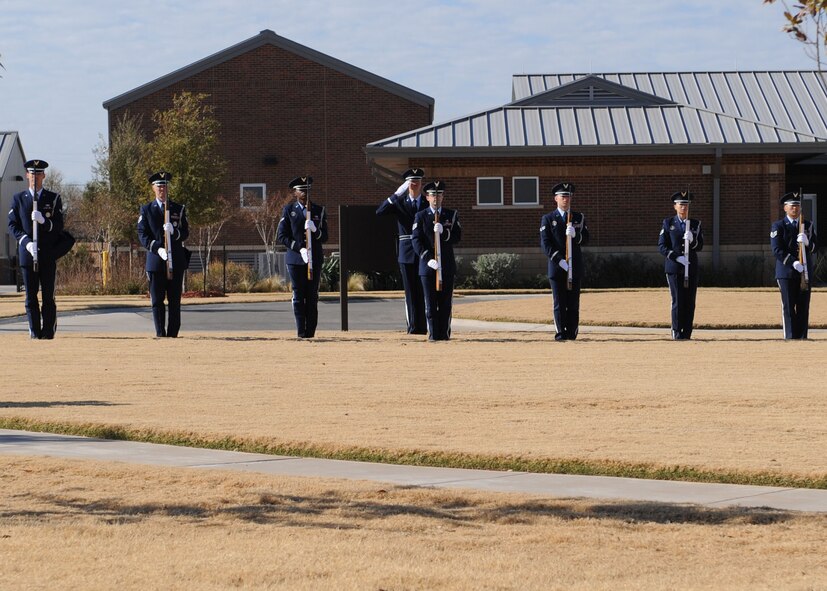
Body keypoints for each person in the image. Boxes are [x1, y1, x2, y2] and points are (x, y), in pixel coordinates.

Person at [8, 159, 65, 339]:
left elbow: (58, 226)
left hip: (47, 253)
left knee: (48, 296)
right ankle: (34, 331)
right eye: (32, 174)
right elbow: (13, 225)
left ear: (44, 176)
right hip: (27, 254)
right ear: (27, 175)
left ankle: (48, 332)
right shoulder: (18, 199)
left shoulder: (53, 198)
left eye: (38, 174)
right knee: (31, 297)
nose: (35, 177)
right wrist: (26, 242)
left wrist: (44, 221)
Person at [137, 171, 190, 338]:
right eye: (159, 186)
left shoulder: (178, 209)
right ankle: (160, 333)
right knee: (157, 301)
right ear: (153, 188)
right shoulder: (146, 210)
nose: (162, 189)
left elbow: (185, 232)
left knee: (174, 301)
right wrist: (156, 248)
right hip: (156, 261)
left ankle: (173, 334)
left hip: (175, 259)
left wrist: (174, 232)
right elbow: (142, 234)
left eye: (164, 186)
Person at [376, 167, 428, 334]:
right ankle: (413, 327)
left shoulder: (427, 202)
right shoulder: (400, 202)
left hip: (423, 251)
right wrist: (396, 194)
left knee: (423, 290)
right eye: (411, 183)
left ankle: (424, 326)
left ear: (421, 184)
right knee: (410, 292)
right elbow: (380, 211)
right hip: (406, 252)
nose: (414, 185)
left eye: (417, 182)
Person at [277, 175, 328, 338]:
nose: (305, 193)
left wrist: (315, 230)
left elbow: (325, 237)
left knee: (312, 295)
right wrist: (299, 248)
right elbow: (282, 236)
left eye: (307, 190)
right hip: (296, 259)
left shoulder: (319, 210)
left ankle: (311, 332)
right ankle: (301, 332)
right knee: (298, 295)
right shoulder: (289, 210)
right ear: (295, 193)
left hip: (315, 258)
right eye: (302, 190)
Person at [411, 180, 461, 341]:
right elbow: (416, 240)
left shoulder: (451, 215)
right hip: (428, 267)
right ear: (427, 197)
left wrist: (444, 233)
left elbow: (457, 236)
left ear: (443, 197)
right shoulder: (420, 216)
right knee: (430, 304)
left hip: (446, 265)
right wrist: (427, 258)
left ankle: (444, 334)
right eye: (433, 195)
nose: (436, 198)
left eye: (439, 195)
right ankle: (433, 335)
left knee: (445, 304)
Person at [540, 182, 590, 341]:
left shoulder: (578, 217)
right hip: (557, 267)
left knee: (573, 302)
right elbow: (545, 244)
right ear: (556, 198)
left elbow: (586, 239)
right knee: (559, 303)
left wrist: (577, 235)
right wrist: (559, 260)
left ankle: (572, 332)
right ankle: (561, 333)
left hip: (574, 266)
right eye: (563, 196)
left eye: (568, 196)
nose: (566, 199)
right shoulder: (548, 219)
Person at [658, 191, 704, 340]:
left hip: (691, 267)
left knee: (690, 301)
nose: (684, 207)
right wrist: (676, 257)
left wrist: (692, 240)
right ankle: (676, 332)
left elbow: (700, 245)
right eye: (681, 204)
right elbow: (662, 246)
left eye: (686, 205)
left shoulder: (696, 224)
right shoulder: (668, 223)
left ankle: (687, 332)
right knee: (677, 300)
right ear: (675, 206)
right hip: (674, 267)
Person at [771, 191, 818, 340]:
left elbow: (815, 247)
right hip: (786, 273)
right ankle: (790, 337)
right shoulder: (778, 226)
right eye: (792, 206)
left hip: (804, 272)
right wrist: (793, 262)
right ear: (785, 208)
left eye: (797, 206)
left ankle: (802, 337)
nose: (795, 209)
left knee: (803, 306)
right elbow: (777, 250)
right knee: (789, 307)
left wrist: (807, 242)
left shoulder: (808, 225)